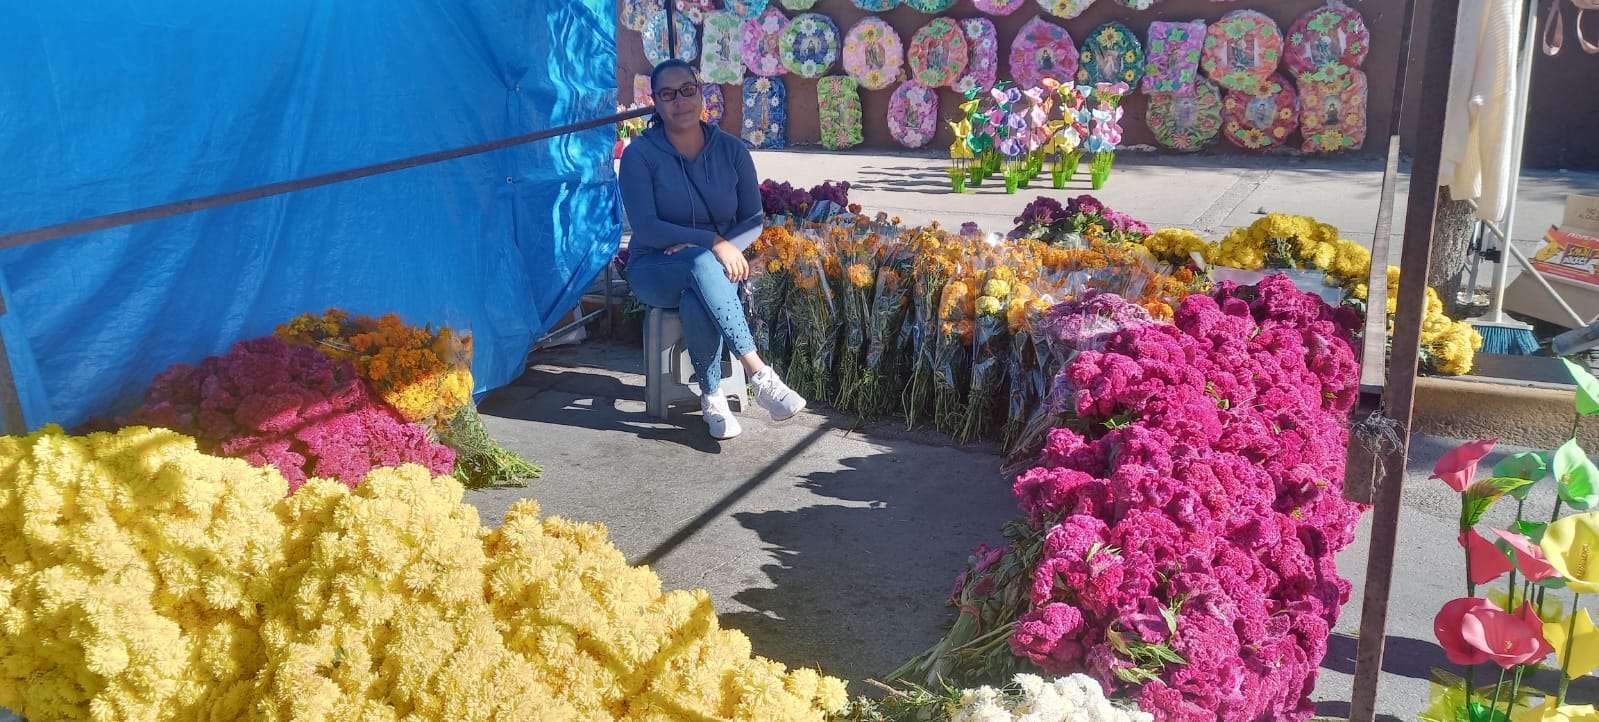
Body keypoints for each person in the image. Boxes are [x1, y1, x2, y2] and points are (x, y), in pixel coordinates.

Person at [619, 59, 806, 440]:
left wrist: (724, 250)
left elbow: (753, 219)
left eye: (687, 89)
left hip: (714, 269)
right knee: (700, 266)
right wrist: (714, 243)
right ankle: (759, 374)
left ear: (700, 91)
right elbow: (647, 228)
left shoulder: (731, 150)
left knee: (697, 289)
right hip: (655, 267)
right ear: (655, 101)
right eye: (668, 94)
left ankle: (712, 397)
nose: (680, 101)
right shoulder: (641, 155)